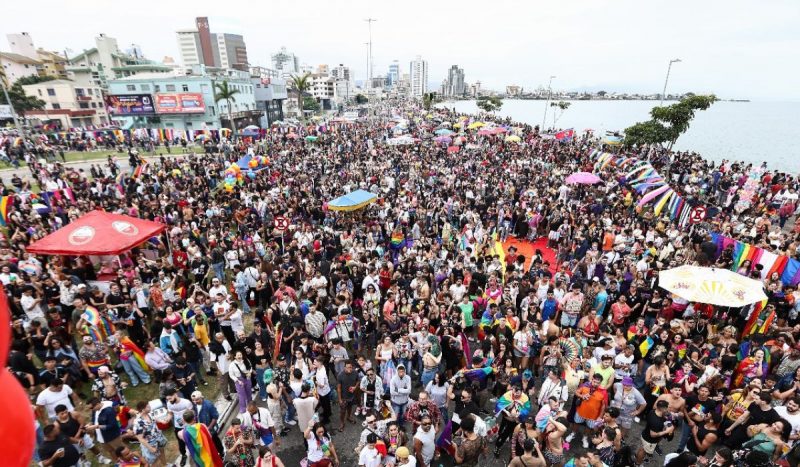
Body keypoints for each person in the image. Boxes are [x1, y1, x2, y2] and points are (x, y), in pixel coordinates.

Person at [86, 397, 124, 463]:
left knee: (121, 451)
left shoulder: (109, 410)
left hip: (112, 437)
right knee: (111, 451)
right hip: (101, 437)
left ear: (97, 404)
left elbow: (112, 425)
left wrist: (97, 426)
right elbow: (93, 420)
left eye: (91, 408)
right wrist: (89, 424)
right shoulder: (94, 411)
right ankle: (118, 463)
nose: (91, 409)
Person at [636, 399, 674, 465]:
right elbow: (653, 435)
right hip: (649, 440)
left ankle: (638, 457)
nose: (669, 408)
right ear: (663, 409)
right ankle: (638, 463)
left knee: (642, 448)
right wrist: (666, 431)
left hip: (645, 434)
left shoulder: (653, 411)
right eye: (667, 407)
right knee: (643, 451)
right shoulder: (656, 421)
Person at [390, 364, 413, 428]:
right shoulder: (393, 379)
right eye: (399, 371)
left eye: (402, 371)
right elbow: (392, 392)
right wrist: (404, 391)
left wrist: (398, 390)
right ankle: (396, 426)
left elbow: (409, 391)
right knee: (396, 415)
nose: (401, 373)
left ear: (405, 371)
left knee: (402, 414)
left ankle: (401, 425)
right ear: (397, 371)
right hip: (396, 401)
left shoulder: (408, 378)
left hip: (405, 401)